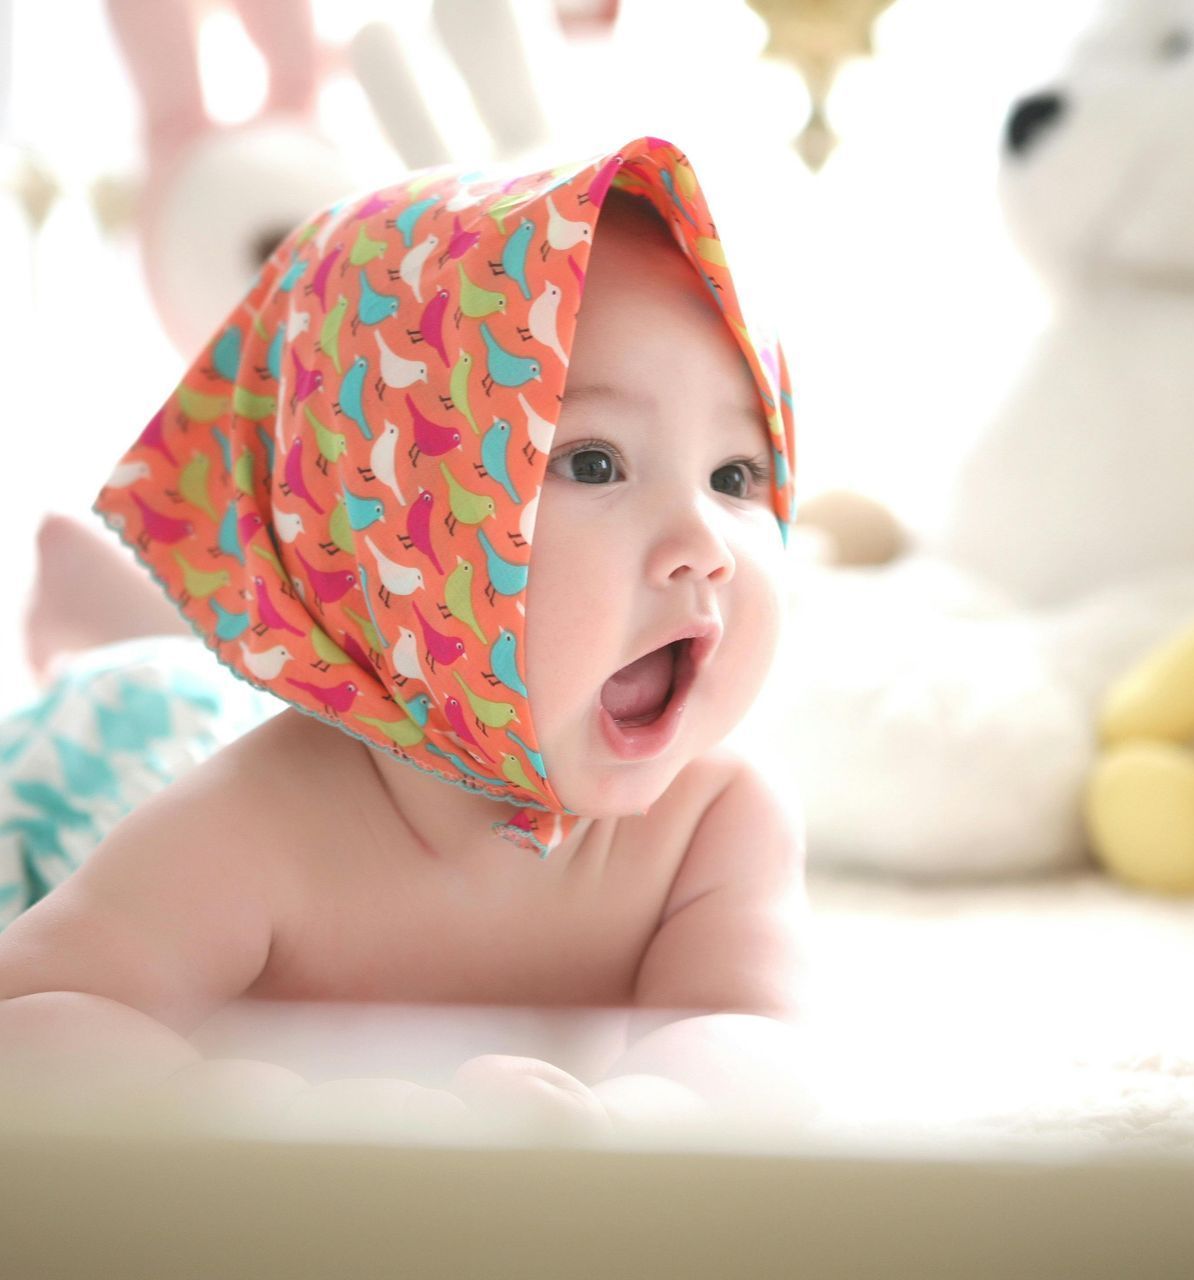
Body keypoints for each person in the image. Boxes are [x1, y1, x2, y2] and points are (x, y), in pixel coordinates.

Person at [0, 135, 813, 1137]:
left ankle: (121, 605)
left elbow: (751, 1033)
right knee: (149, 689)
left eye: (735, 475)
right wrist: (271, 1113)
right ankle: (108, 612)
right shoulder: (262, 823)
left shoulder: (714, 819)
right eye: (595, 462)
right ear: (395, 523)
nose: (706, 545)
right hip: (115, 751)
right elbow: (29, 1019)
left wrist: (640, 1117)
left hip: (350, 676)